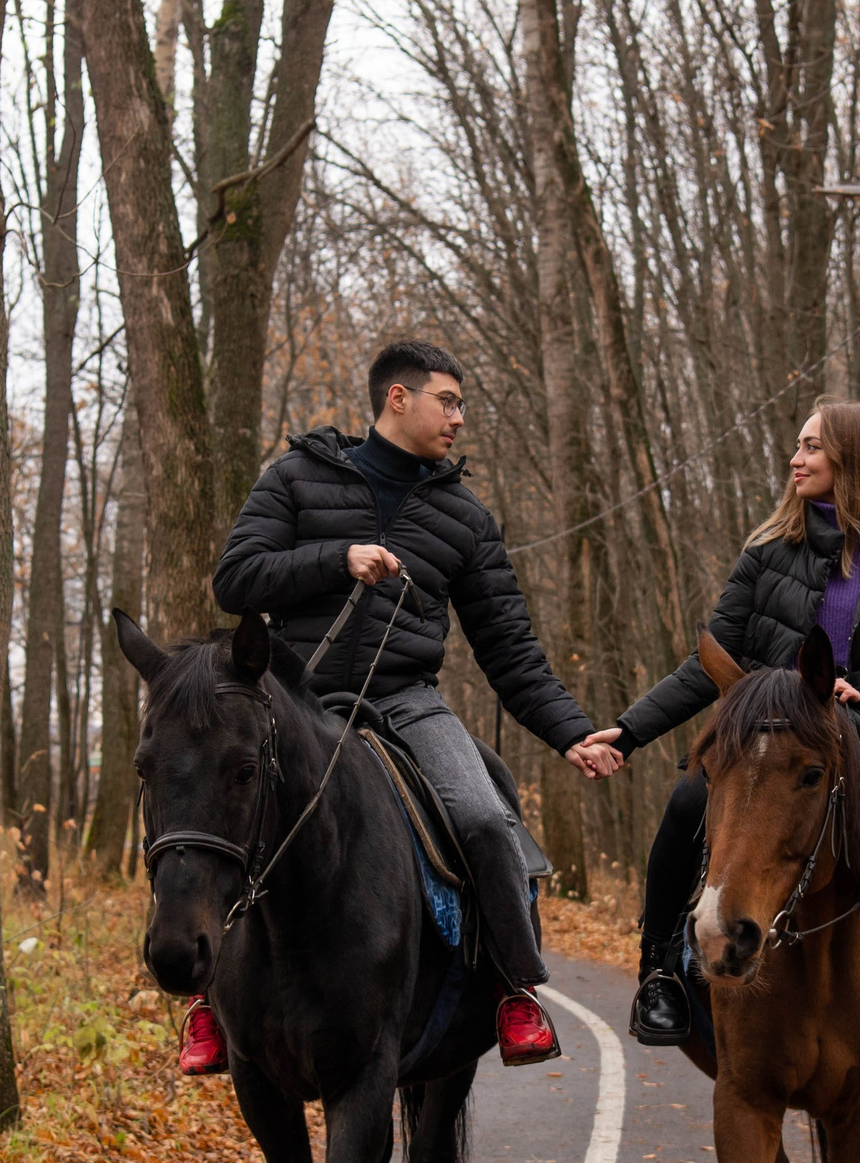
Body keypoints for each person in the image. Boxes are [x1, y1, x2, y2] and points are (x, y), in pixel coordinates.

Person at [181, 339, 622, 1075]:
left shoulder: (465, 518)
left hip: (404, 703)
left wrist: (571, 733)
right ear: (398, 398)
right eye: (447, 401)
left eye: (460, 405)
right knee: (202, 804)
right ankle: (204, 1002)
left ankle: (516, 990)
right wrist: (336, 557)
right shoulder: (296, 475)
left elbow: (509, 649)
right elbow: (236, 578)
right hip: (292, 701)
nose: (459, 417)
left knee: (484, 817)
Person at [585, 400, 860, 1081]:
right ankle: (660, 973)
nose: (796, 460)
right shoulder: (768, 550)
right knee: (685, 810)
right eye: (798, 446)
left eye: (811, 447)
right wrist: (630, 729)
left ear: (852, 459)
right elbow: (710, 657)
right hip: (772, 742)